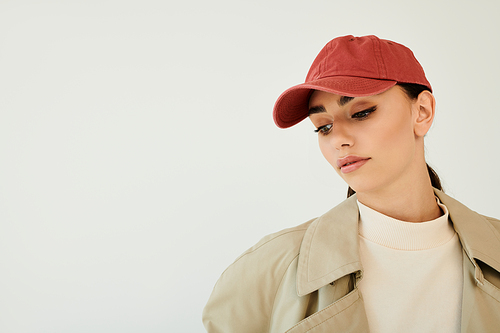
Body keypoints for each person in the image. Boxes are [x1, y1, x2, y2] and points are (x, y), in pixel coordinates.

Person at [202, 35, 500, 332]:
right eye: (323, 127)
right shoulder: (266, 272)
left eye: (361, 113)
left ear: (422, 112)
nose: (338, 140)